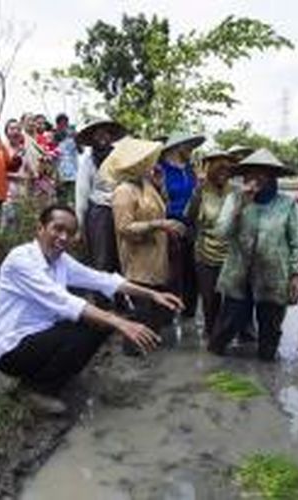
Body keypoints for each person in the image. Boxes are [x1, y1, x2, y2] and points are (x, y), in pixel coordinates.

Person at [0, 204, 183, 414]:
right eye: (58, 229)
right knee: (92, 326)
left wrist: (152, 294)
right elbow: (64, 301)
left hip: (41, 334)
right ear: (40, 229)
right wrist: (121, 323)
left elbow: (101, 280)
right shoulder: (20, 260)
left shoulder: (60, 260)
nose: (63, 237)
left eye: (70, 233)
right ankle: (37, 390)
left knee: (98, 324)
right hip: (12, 348)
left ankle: (49, 375)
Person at [208, 149, 298, 361]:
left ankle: (268, 379)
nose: (255, 178)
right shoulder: (234, 199)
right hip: (238, 274)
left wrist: (297, 275)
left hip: (273, 276)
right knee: (227, 326)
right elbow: (221, 233)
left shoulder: (287, 205)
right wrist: (241, 205)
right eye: (250, 173)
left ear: (272, 177)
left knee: (270, 332)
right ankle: (211, 369)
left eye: (263, 173)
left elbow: (297, 242)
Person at [102, 137, 185, 354]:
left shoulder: (147, 183)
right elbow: (124, 228)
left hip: (156, 256)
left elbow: (161, 207)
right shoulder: (124, 191)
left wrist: (159, 185)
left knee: (154, 308)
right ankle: (132, 352)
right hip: (138, 259)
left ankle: (148, 345)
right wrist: (158, 224)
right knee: (141, 309)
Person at [185, 150, 237, 339]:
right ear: (210, 171)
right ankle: (211, 334)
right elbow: (189, 219)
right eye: (219, 169)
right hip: (205, 253)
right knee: (209, 299)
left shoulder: (236, 192)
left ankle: (227, 334)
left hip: (231, 253)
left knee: (232, 299)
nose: (223, 174)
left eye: (226, 170)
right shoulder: (200, 191)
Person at [158, 132, 206, 317]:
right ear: (178, 147)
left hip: (191, 225)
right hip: (170, 225)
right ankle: (168, 312)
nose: (192, 151)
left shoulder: (190, 169)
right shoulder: (160, 169)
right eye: (189, 147)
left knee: (191, 271)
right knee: (171, 272)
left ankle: (189, 311)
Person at [74, 120, 127, 273]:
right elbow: (82, 195)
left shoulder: (120, 158)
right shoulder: (89, 162)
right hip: (100, 213)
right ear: (92, 138)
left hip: (122, 210)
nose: (103, 136)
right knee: (102, 259)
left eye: (106, 132)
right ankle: (101, 295)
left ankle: (121, 295)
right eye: (98, 133)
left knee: (122, 257)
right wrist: (79, 225)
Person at [54, 113, 78, 205]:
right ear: (57, 125)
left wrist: (76, 139)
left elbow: (81, 151)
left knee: (72, 199)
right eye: (60, 122)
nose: (63, 125)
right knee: (61, 200)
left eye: (65, 122)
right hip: (60, 174)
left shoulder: (73, 135)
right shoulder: (55, 137)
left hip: (73, 173)